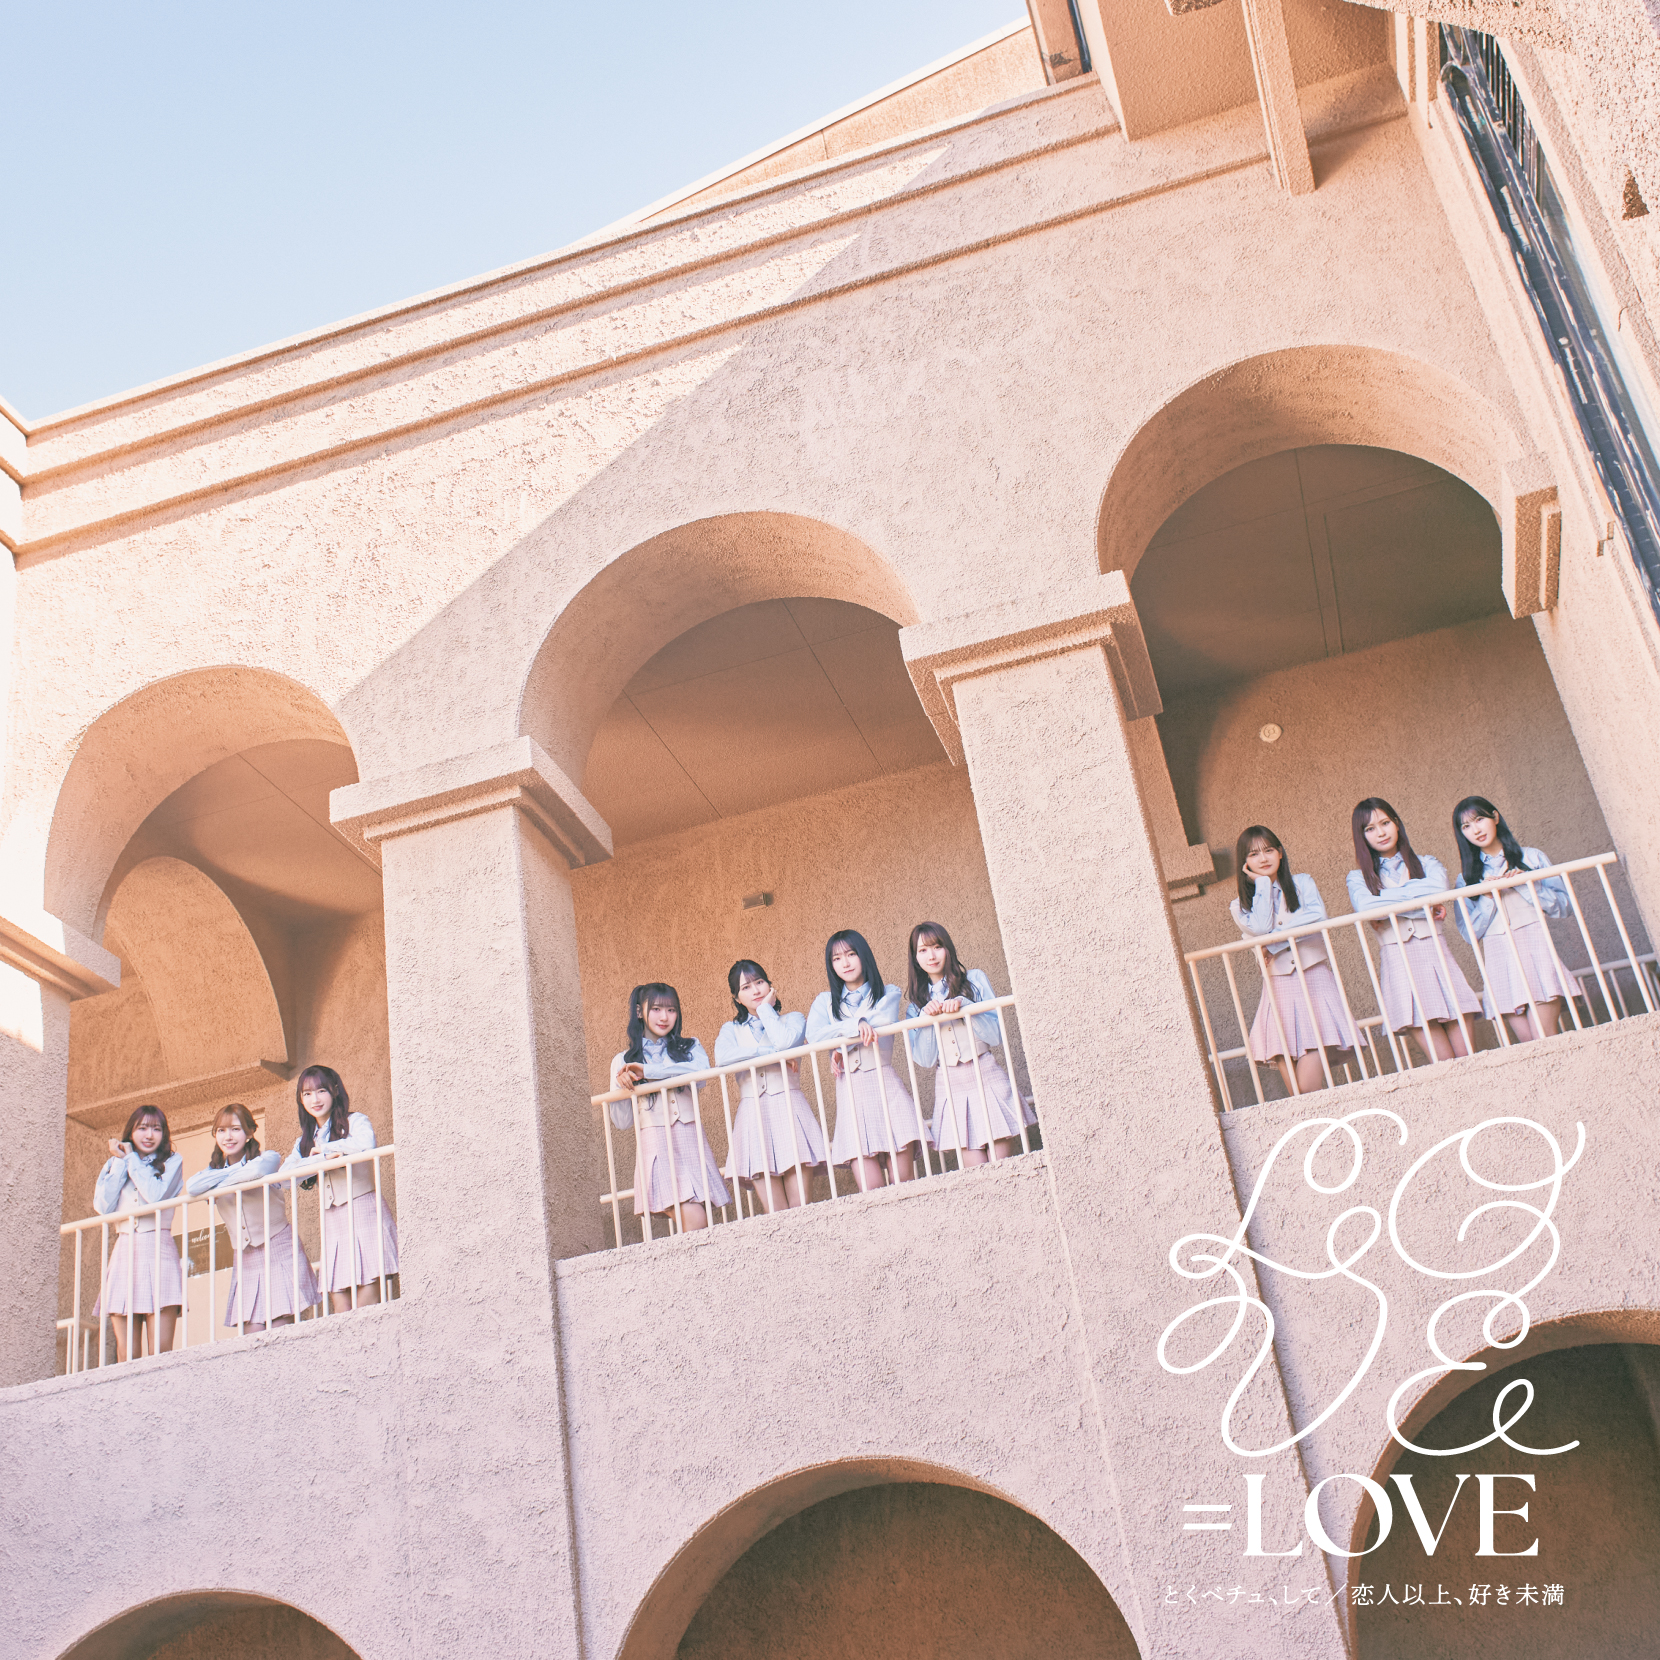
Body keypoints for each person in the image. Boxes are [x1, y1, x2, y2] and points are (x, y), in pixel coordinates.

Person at [1346, 798, 1481, 1063]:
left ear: (1396, 823)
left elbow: (1438, 891)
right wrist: (1420, 902)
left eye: (1385, 823)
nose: (1381, 832)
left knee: (1468, 1056)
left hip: (1437, 955)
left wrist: (1387, 903)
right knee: (1443, 1061)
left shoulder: (1427, 863)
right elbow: (1367, 907)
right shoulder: (1358, 877)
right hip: (1399, 964)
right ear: (1362, 836)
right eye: (1370, 828)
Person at [1228, 827, 1358, 1097]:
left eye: (1268, 850)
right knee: (1294, 1085)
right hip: (1277, 986)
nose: (1263, 858)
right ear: (1244, 863)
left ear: (1280, 852)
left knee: (1308, 1086)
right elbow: (1260, 927)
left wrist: (1272, 943)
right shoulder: (1239, 906)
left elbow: (1316, 917)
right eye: (1254, 854)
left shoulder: (1302, 883)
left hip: (1314, 977)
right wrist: (1263, 886)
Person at [903, 922, 1034, 1163]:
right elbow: (924, 1060)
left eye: (937, 946)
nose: (931, 956)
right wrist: (925, 1019)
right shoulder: (915, 1005)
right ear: (915, 957)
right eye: (923, 950)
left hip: (986, 1072)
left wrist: (966, 1007)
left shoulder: (974, 979)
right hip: (950, 1083)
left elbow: (995, 1035)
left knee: (1002, 1166)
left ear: (947, 948)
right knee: (978, 1172)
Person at [806, 930, 926, 1191]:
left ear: (863, 955)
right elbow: (814, 1036)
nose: (845, 963)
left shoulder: (887, 992)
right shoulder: (824, 1002)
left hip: (887, 1090)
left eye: (851, 954)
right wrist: (857, 1026)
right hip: (850, 1096)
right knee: (871, 1190)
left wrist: (842, 1041)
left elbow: (883, 1020)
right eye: (837, 958)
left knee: (903, 1184)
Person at [1451, 795, 1575, 1042]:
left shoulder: (1532, 858)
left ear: (1495, 817)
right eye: (1466, 826)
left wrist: (1526, 885)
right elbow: (1469, 934)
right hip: (1499, 962)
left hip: (1536, 951)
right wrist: (1487, 897)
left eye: (1479, 819)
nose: (1476, 830)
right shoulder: (1466, 879)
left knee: (1544, 1037)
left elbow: (1563, 906)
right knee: (1529, 1043)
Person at [186, 1104, 319, 1332]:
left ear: (249, 1133)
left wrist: (216, 1184)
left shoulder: (267, 1158)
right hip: (245, 1257)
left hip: (278, 1248)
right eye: (221, 1130)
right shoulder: (210, 1173)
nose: (228, 1137)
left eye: (235, 1129)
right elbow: (192, 1186)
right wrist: (228, 1174)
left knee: (281, 1329)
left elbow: (255, 1172)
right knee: (252, 1334)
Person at [609, 984, 730, 1233]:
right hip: (656, 1145)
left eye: (671, 1010)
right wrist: (620, 1087)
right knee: (696, 1221)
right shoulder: (623, 1060)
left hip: (690, 1140)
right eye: (656, 1009)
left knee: (701, 1224)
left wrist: (648, 1071)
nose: (664, 1017)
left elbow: (702, 1073)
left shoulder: (690, 1047)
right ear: (639, 1012)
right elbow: (622, 1122)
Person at [281, 1065, 399, 1312]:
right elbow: (284, 1177)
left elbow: (366, 1144)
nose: (315, 1099)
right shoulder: (304, 1141)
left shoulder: (355, 1121)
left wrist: (325, 1149)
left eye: (321, 1091)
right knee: (341, 1309)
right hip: (333, 1223)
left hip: (364, 1212)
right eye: (307, 1094)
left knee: (366, 1305)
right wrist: (322, 1158)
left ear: (334, 1090)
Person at [715, 960, 826, 1213]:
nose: (755, 990)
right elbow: (722, 1058)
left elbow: (785, 1043)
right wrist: (770, 1054)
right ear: (737, 998)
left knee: (801, 1207)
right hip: (753, 1116)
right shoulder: (730, 1030)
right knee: (775, 1212)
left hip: (790, 1109)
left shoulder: (793, 1019)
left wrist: (766, 1010)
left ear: (770, 986)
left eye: (759, 982)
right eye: (746, 987)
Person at [93, 1105, 183, 1362]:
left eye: (156, 1128)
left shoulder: (172, 1161)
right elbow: (103, 1207)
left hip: (158, 1248)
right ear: (130, 1132)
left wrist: (131, 1159)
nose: (149, 1135)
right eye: (142, 1128)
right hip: (125, 1250)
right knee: (127, 1354)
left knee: (160, 1351)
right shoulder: (116, 1163)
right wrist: (120, 1162)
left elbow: (154, 1196)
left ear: (164, 1134)